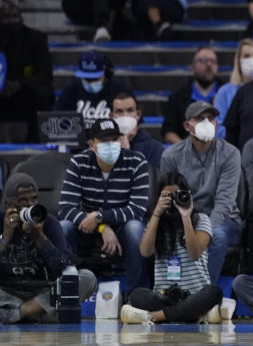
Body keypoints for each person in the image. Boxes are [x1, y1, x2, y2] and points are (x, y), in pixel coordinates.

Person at [120, 172, 224, 325]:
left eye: (177, 195)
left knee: (213, 292)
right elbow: (145, 251)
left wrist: (186, 216)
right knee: (136, 294)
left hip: (195, 295)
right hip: (163, 296)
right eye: (167, 196)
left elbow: (194, 254)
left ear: (186, 195)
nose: (172, 200)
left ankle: (154, 317)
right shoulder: (156, 223)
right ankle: (195, 315)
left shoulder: (201, 219)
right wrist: (156, 213)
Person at [58, 118, 149, 291]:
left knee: (136, 228)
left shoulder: (137, 161)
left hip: (122, 227)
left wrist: (100, 217)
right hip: (87, 227)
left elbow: (137, 210)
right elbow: (65, 208)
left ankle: (137, 295)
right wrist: (102, 227)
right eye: (104, 140)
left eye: (114, 139)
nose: (111, 144)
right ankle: (65, 291)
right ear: (92, 144)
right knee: (63, 227)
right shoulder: (79, 162)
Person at [160, 101, 242, 283]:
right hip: (185, 217)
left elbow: (225, 202)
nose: (206, 123)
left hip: (224, 220)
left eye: (210, 118)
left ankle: (203, 294)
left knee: (218, 236)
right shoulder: (171, 156)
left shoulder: (230, 153)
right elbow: (169, 197)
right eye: (200, 118)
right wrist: (187, 225)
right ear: (187, 125)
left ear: (216, 124)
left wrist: (203, 232)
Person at [0, 173, 97, 324]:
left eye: (34, 199)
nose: (30, 205)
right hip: (9, 293)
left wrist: (41, 238)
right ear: (8, 204)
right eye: (23, 201)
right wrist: (5, 236)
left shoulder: (48, 221)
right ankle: (39, 315)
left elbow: (66, 266)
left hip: (44, 293)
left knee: (87, 278)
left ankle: (23, 313)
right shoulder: (1, 221)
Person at [0, 0, 53, 140]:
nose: (13, 21)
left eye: (16, 17)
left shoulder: (36, 38)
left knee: (43, 93)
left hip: (24, 94)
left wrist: (20, 84)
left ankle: (36, 142)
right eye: (7, 18)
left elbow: (46, 75)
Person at [162, 46, 221, 144]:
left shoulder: (227, 94)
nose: (209, 64)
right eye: (203, 60)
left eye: (213, 61)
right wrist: (185, 150)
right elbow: (168, 131)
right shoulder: (178, 96)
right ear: (192, 65)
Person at [55, 51, 132, 124]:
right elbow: (58, 120)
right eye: (86, 79)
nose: (90, 82)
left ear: (106, 74)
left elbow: (133, 121)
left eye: (95, 79)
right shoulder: (70, 91)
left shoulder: (121, 90)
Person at [213, 39, 253, 138]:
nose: (251, 60)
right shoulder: (225, 92)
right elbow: (218, 128)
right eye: (246, 56)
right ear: (238, 61)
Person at [112, 92, 165, 167]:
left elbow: (157, 176)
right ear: (111, 116)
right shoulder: (104, 148)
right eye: (119, 111)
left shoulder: (155, 148)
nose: (125, 115)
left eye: (130, 110)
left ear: (138, 114)